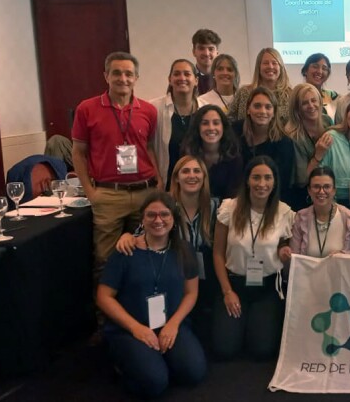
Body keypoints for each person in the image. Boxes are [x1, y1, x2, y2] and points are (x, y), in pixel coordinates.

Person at [72, 51, 162, 302]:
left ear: (136, 78)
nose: (123, 78)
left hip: (145, 192)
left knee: (144, 254)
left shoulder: (148, 111)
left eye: (129, 74)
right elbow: (78, 153)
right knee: (106, 260)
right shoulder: (87, 109)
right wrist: (91, 192)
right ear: (106, 76)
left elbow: (150, 148)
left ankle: (139, 312)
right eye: (117, 73)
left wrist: (159, 181)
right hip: (108, 194)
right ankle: (105, 324)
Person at [97, 191, 206, 398]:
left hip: (170, 324)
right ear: (142, 218)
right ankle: (127, 361)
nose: (158, 220)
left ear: (173, 219)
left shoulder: (184, 250)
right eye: (151, 215)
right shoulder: (126, 250)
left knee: (194, 372)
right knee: (154, 382)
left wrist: (173, 324)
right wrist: (136, 328)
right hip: (131, 328)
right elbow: (104, 296)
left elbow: (191, 293)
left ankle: (156, 358)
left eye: (164, 214)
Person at [116, 155, 220, 342]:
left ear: (204, 177)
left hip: (206, 279)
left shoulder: (215, 206)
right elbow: (142, 232)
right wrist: (127, 236)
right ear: (176, 178)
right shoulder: (165, 206)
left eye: (197, 171)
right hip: (174, 278)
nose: (191, 175)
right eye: (185, 171)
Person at [212, 156, 295, 360]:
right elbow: (217, 253)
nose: (262, 184)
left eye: (267, 178)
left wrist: (285, 250)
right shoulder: (229, 209)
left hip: (267, 288)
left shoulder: (284, 212)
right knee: (224, 349)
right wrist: (227, 292)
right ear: (247, 180)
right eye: (256, 177)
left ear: (274, 181)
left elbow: (285, 244)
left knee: (262, 350)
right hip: (234, 284)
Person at [150, 59, 206, 188]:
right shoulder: (154, 108)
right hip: (166, 186)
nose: (182, 78)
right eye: (177, 74)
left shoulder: (206, 109)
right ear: (170, 79)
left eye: (187, 74)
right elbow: (148, 147)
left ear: (196, 80)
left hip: (200, 185)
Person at [235, 86, 295, 206]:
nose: (262, 111)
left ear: (274, 112)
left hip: (270, 203)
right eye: (257, 106)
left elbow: (281, 183)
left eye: (268, 107)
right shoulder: (234, 132)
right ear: (248, 109)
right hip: (237, 201)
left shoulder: (284, 143)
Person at [290, 167, 350, 257]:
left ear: (334, 190)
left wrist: (343, 255)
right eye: (316, 186)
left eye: (327, 187)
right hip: (308, 271)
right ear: (309, 190)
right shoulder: (300, 218)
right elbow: (294, 257)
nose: (321, 191)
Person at [284, 83, 334, 211]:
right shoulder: (292, 136)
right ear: (297, 108)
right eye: (305, 103)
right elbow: (302, 179)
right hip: (303, 198)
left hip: (328, 192)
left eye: (314, 100)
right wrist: (318, 155)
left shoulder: (327, 121)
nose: (311, 106)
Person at [180, 105, 243, 200]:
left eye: (216, 123)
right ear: (198, 127)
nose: (211, 128)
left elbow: (233, 197)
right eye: (205, 123)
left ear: (223, 127)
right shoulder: (187, 154)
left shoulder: (234, 158)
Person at [229, 48, 292, 124]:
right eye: (266, 63)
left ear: (281, 67)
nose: (270, 66)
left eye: (274, 63)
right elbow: (229, 119)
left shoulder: (290, 95)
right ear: (258, 67)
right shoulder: (244, 92)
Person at [301, 53, 338, 119]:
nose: (320, 71)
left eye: (324, 68)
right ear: (305, 70)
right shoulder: (297, 95)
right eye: (315, 66)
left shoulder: (334, 97)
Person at [191, 29, 221, 95]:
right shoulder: (187, 79)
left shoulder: (224, 77)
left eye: (211, 49)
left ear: (217, 52)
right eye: (201, 48)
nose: (206, 53)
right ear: (194, 52)